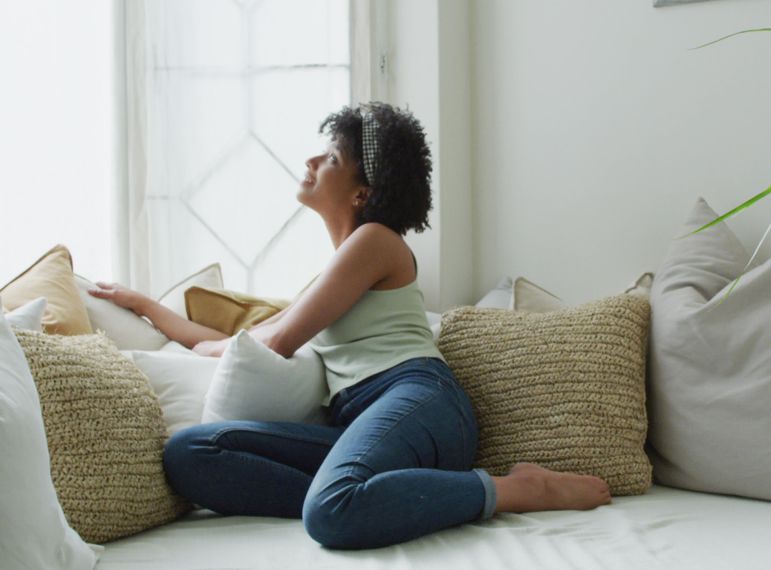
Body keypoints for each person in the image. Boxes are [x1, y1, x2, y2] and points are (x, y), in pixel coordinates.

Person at [89, 102, 611, 549]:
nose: (313, 159)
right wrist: (146, 306)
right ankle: (394, 497)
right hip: (359, 422)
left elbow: (273, 342)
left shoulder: (375, 241)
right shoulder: (331, 277)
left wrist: (219, 351)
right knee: (191, 452)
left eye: (332, 157)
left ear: (362, 193)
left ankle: (519, 489)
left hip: (417, 400)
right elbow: (243, 345)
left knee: (330, 513)